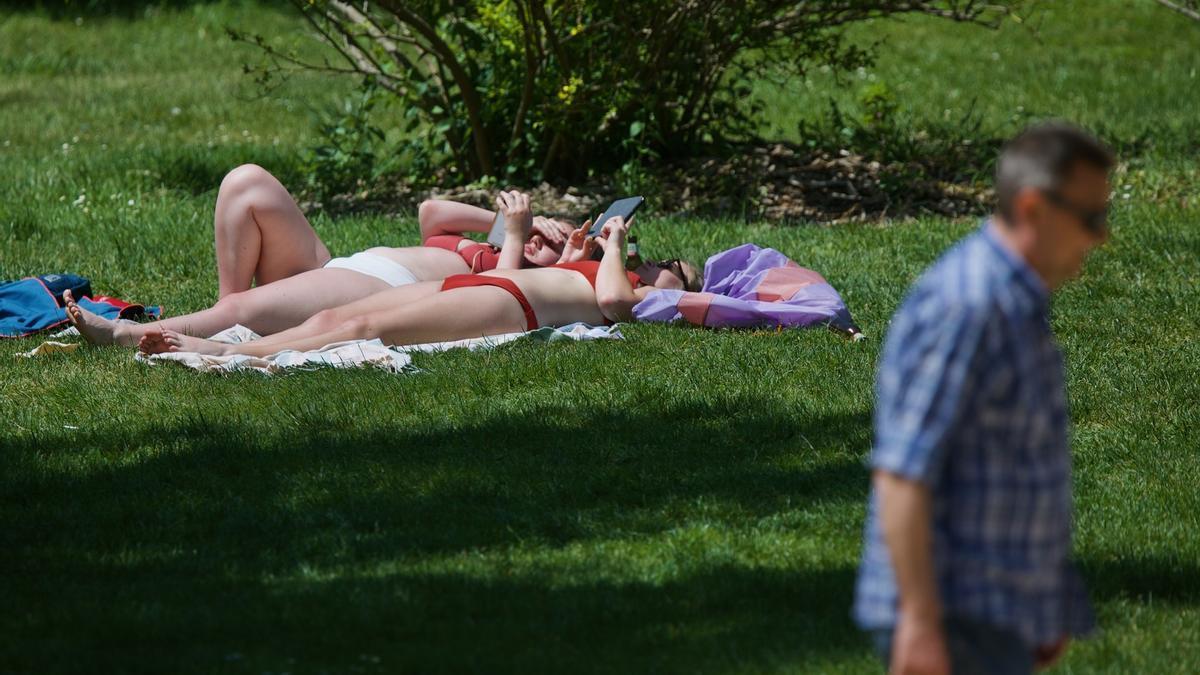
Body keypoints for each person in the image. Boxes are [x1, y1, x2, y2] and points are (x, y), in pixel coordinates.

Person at [854, 122, 1113, 675]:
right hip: (953, 613)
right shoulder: (970, 306)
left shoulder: (1016, 299)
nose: (1102, 236)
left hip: (993, 611)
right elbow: (902, 474)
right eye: (1091, 218)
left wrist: (1043, 607)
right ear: (1034, 210)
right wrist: (921, 623)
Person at [63, 164, 574, 345]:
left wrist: (516, 239)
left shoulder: (516, 272)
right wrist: (503, 221)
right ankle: (224, 318)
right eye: (543, 231)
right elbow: (431, 212)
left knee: (241, 311)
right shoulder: (494, 242)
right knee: (246, 183)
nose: (539, 238)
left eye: (554, 244)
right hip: (337, 267)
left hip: (383, 288)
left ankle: (128, 335)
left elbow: (501, 294)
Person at [133, 215, 702, 357]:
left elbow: (612, 305)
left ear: (677, 289)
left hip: (511, 303)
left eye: (673, 266)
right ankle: (234, 344)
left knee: (364, 327)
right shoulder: (607, 265)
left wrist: (620, 247)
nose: (659, 266)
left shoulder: (638, 292)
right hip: (485, 286)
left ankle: (226, 351)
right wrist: (587, 251)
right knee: (335, 321)